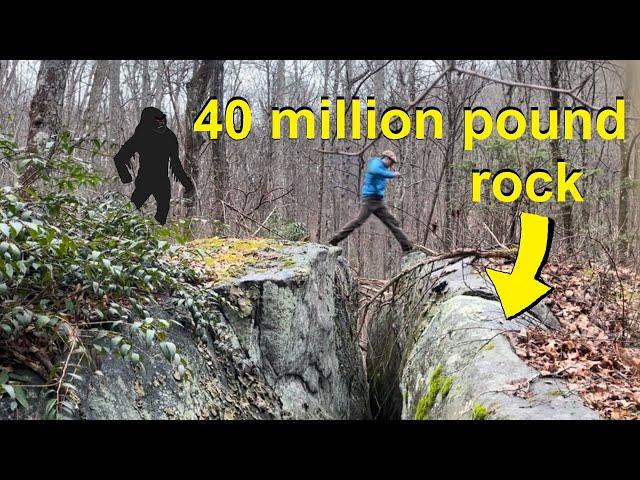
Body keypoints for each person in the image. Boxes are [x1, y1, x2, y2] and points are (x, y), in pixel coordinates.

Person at [113, 107, 194, 225]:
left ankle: (151, 239)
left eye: (163, 120)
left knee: (161, 216)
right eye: (158, 120)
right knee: (130, 212)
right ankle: (125, 233)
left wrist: (186, 183)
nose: (161, 123)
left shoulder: (169, 136)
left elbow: (175, 164)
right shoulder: (141, 135)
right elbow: (119, 158)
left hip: (162, 181)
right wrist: (126, 178)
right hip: (145, 179)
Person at [329, 150, 414, 253]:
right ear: (386, 158)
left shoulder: (384, 168)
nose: (391, 165)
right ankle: (334, 239)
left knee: (392, 222)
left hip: (379, 201)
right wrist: (393, 174)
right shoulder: (376, 163)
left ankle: (407, 247)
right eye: (391, 162)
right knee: (358, 221)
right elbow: (375, 171)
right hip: (369, 200)